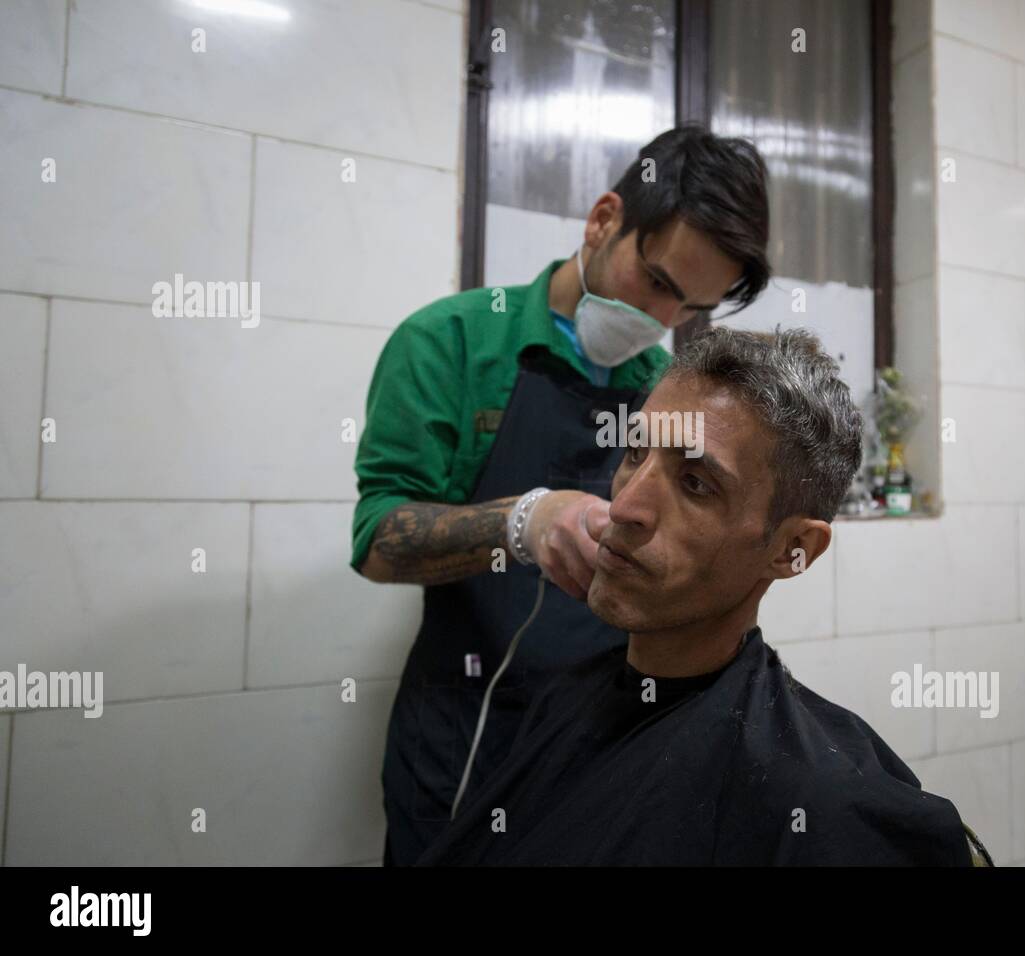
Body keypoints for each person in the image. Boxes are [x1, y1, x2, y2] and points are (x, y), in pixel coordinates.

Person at [350, 126, 772, 865]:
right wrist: (522, 523)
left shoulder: (662, 392)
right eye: (660, 284)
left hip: (607, 732)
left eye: (692, 308)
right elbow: (380, 539)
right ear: (604, 221)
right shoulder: (450, 344)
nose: (664, 324)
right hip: (467, 733)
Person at [415, 327, 976, 866]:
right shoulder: (565, 700)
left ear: (792, 549)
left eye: (696, 484)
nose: (626, 507)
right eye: (635, 453)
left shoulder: (824, 801)